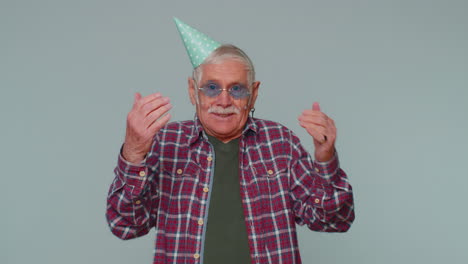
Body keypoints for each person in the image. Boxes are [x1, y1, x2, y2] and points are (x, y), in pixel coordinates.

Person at [106, 18, 355, 264]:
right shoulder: (167, 143)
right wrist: (134, 153)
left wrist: (325, 159)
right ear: (193, 92)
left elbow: (333, 221)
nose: (223, 102)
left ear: (253, 94)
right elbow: (126, 225)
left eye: (236, 89)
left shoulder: (280, 143)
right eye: (212, 88)